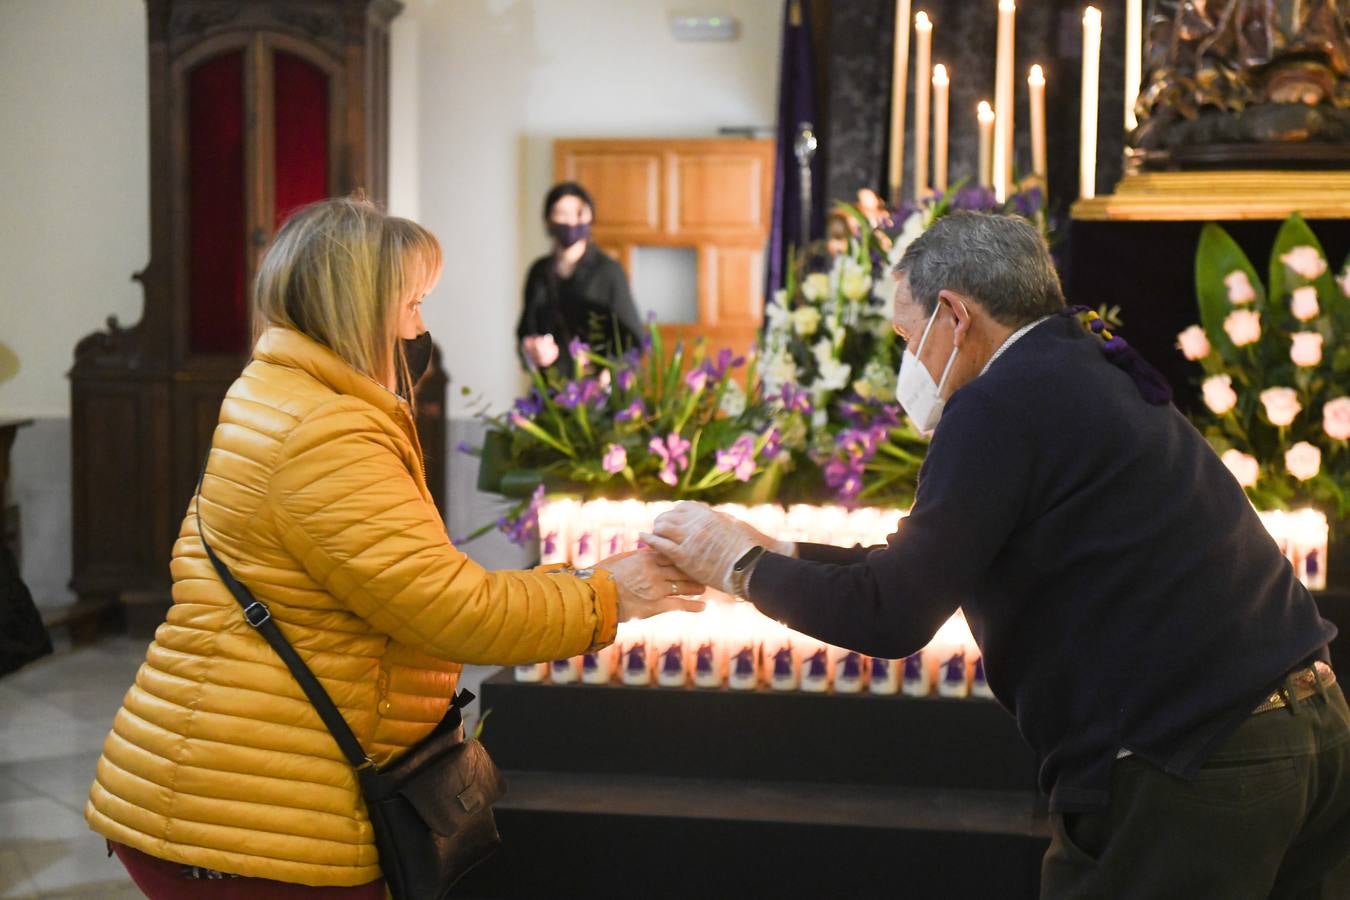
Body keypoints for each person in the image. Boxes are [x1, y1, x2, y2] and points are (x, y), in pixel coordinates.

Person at [646, 211, 1350, 898]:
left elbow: (893, 615)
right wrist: (781, 549)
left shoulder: (997, 402)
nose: (906, 359)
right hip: (1307, 731)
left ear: (954, 316)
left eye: (905, 333)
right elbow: (915, 566)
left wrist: (739, 568)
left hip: (1199, 757)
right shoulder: (1077, 364)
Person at [85, 197, 704, 897]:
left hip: (222, 775)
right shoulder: (327, 432)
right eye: (412, 302)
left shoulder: (279, 391)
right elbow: (449, 609)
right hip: (247, 808)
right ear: (361, 306)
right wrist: (607, 592)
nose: (420, 324)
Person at [517, 181, 642, 370]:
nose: (571, 222)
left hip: (596, 390)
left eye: (579, 213)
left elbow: (633, 340)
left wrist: (608, 376)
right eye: (562, 214)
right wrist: (532, 349)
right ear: (548, 219)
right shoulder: (539, 272)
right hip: (550, 389)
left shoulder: (608, 271)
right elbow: (525, 331)